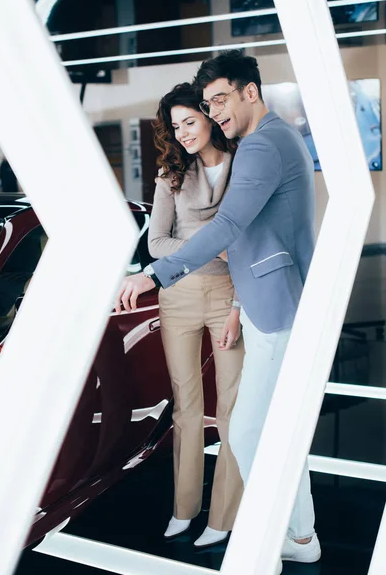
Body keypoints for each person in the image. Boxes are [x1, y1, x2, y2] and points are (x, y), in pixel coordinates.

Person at [115, 50, 321, 573]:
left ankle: (274, 534)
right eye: (207, 103)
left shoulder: (260, 146)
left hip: (273, 304)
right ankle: (298, 534)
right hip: (261, 298)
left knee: (248, 429)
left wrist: (152, 272)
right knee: (270, 428)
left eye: (219, 100)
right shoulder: (270, 140)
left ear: (250, 91)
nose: (214, 111)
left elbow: (228, 226)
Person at [149, 82, 245, 548]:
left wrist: (230, 255)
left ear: (209, 116)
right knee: (187, 408)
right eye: (176, 126)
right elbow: (156, 244)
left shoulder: (244, 164)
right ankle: (183, 508)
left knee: (231, 409)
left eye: (190, 121)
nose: (183, 133)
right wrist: (212, 246)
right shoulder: (170, 174)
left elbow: (252, 236)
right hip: (179, 296)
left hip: (230, 295)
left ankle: (223, 515)